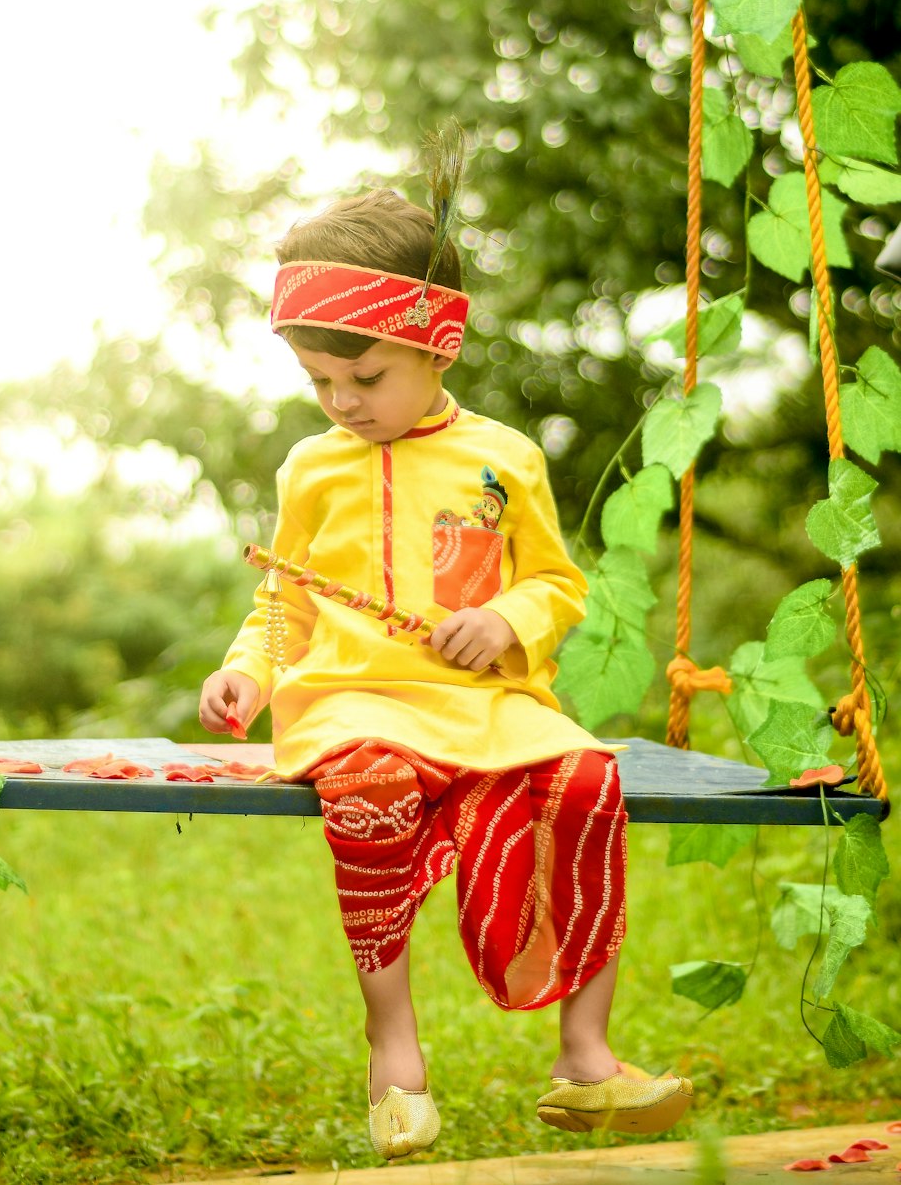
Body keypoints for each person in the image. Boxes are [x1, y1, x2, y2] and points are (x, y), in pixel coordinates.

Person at [199, 184, 692, 1160]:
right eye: (319, 380)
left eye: (364, 376)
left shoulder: (501, 460)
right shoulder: (311, 468)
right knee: (372, 793)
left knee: (588, 781)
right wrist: (246, 672)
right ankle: (394, 1048)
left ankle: (586, 1056)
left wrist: (504, 615)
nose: (341, 401)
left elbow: (555, 584)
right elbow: (283, 601)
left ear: (441, 348)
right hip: (352, 707)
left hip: (488, 704)